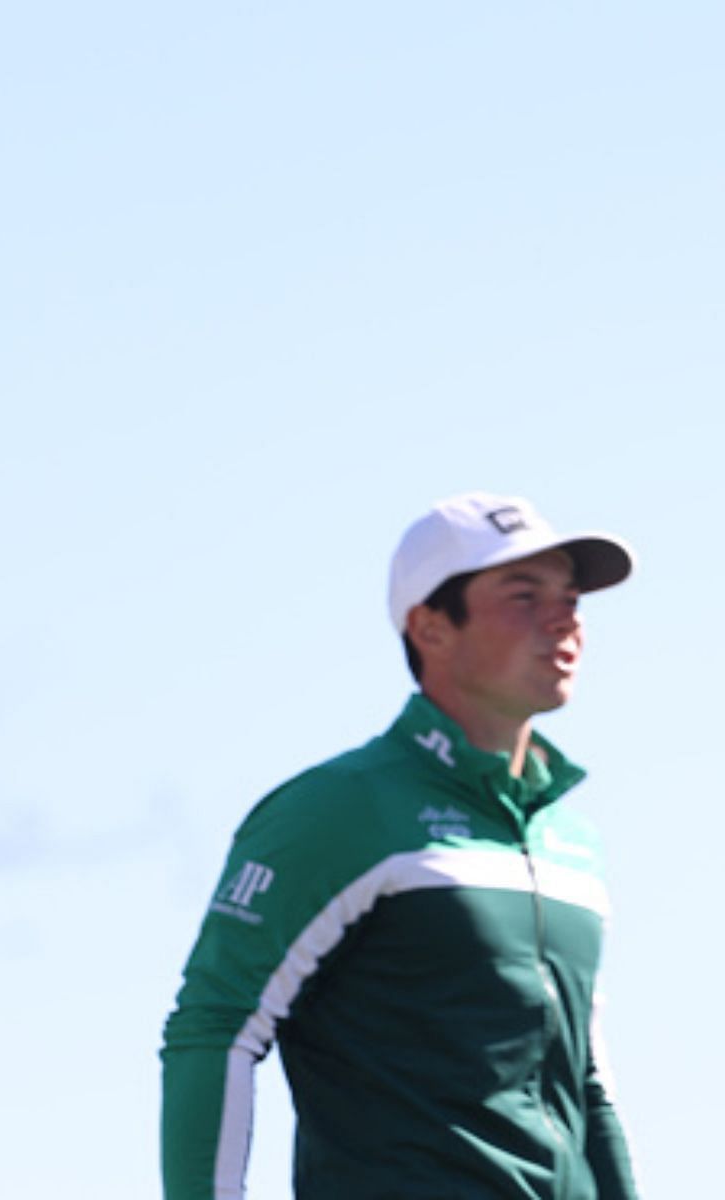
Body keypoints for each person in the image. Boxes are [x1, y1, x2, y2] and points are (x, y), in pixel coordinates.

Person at [162, 491, 641, 1200]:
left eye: (571, 596)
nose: (563, 617)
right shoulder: (337, 809)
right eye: (523, 594)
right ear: (430, 626)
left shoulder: (571, 842)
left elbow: (586, 1087)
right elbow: (214, 1030)